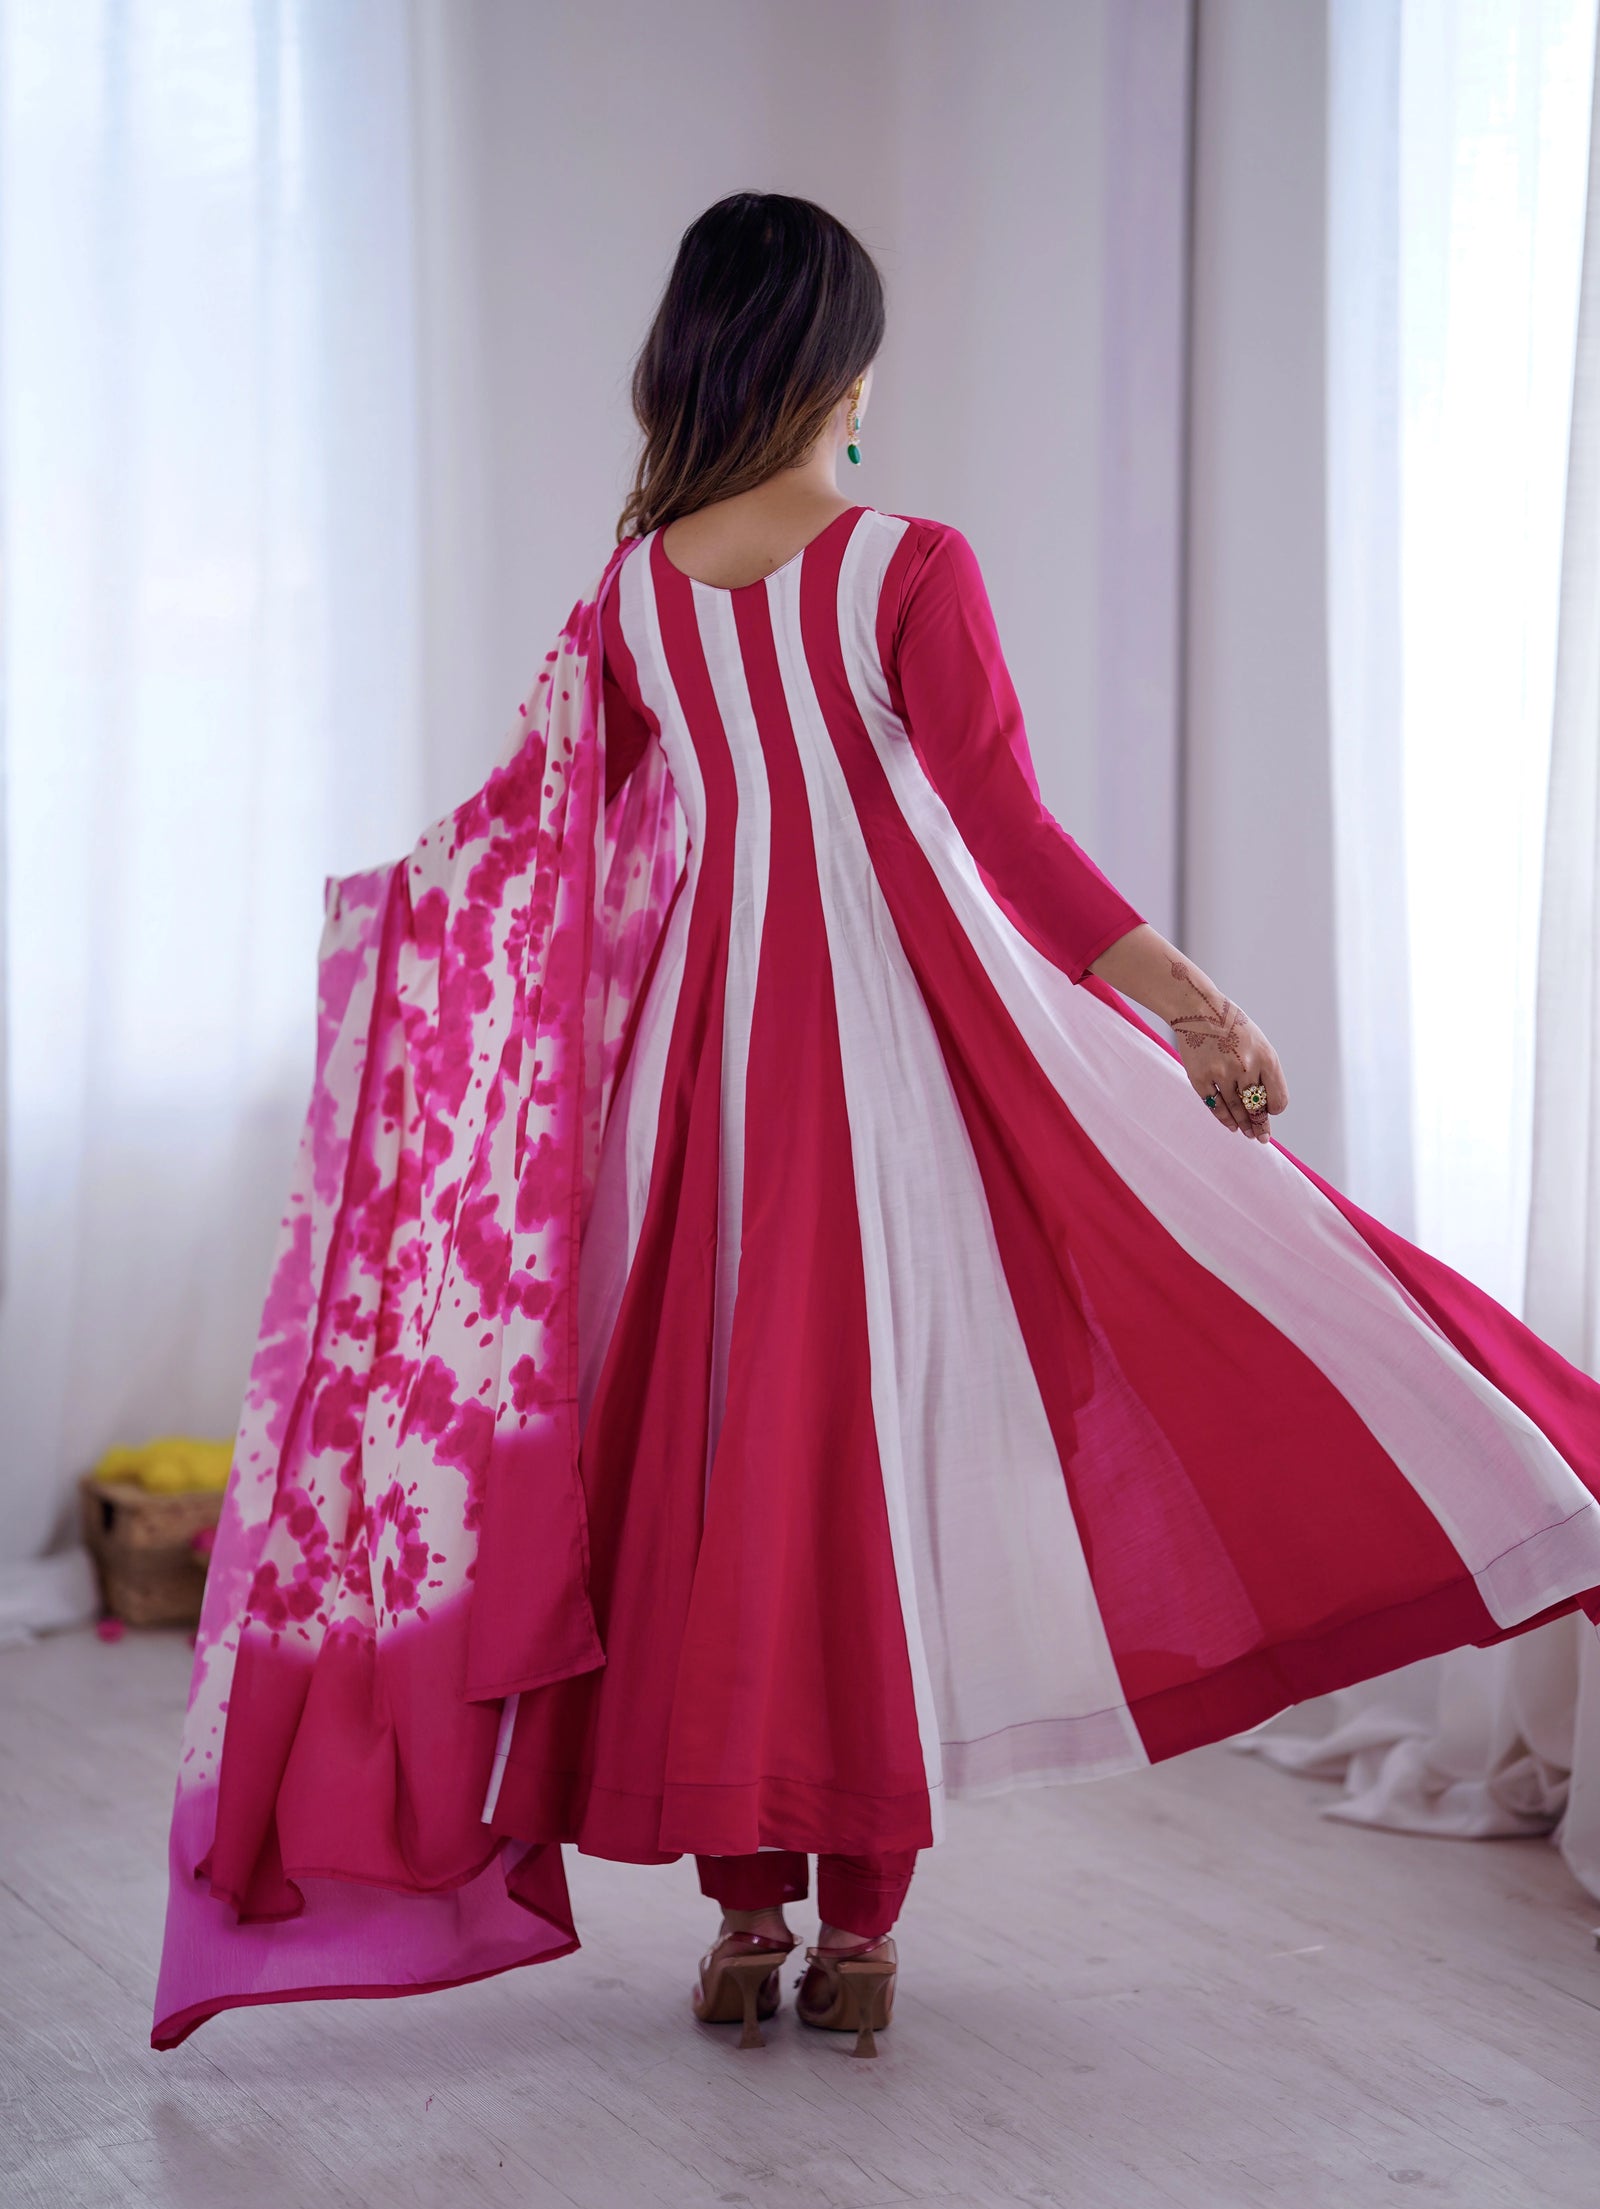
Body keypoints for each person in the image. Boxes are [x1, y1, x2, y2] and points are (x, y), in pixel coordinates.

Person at [151, 192, 1600, 2063]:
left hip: (701, 1081)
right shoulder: (907, 561)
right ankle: (859, 1939)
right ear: (840, 360)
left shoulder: (635, 583)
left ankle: (744, 1922)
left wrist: (392, 974)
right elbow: (1007, 837)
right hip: (898, 1060)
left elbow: (531, 834)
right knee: (873, 1480)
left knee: (714, 1475)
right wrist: (1194, 1006)